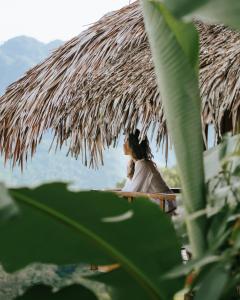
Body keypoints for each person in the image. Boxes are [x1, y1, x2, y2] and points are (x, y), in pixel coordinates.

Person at [122, 129, 176, 212]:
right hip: (159, 204)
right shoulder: (135, 164)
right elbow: (127, 190)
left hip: (164, 206)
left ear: (134, 144)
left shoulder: (143, 165)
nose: (123, 144)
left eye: (126, 140)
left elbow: (132, 192)